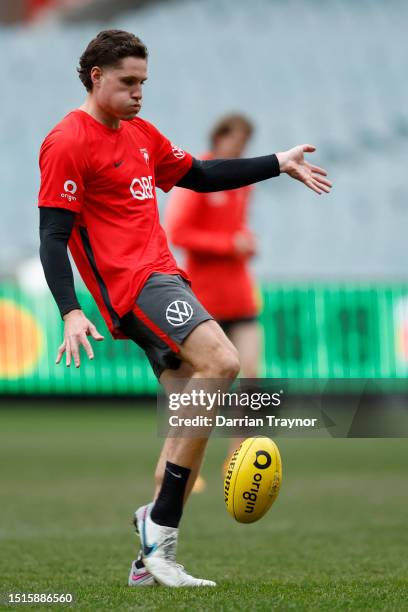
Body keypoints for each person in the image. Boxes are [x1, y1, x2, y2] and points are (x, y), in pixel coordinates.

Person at [38, 30, 332, 588]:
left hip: (163, 277)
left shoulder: (141, 133)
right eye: (128, 82)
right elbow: (52, 235)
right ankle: (161, 529)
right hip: (134, 286)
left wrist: (277, 162)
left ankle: (151, 556)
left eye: (144, 83)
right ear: (96, 76)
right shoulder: (67, 141)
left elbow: (197, 174)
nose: (139, 93)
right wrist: (70, 310)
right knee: (222, 362)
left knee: (187, 426)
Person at [165, 115, 262, 486]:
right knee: (196, 383)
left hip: (240, 295)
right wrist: (228, 244)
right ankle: (186, 462)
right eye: (238, 140)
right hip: (205, 298)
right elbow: (179, 232)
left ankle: (239, 458)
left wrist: (244, 238)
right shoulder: (199, 175)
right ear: (220, 137)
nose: (242, 149)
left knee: (252, 375)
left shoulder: (243, 182)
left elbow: (233, 227)